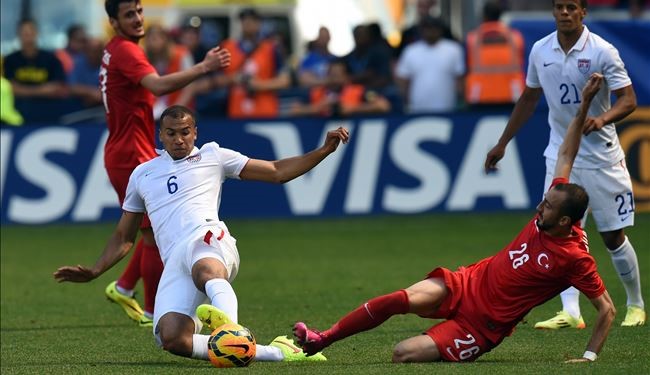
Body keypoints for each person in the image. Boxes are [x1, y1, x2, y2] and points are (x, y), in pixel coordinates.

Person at [294, 73, 616, 364]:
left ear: (564, 223)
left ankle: (440, 341)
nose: (539, 209)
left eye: (546, 208)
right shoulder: (558, 201)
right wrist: (585, 101)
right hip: (466, 283)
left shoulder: (575, 258)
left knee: (402, 353)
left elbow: (606, 309)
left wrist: (588, 358)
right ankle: (323, 339)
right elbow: (565, 155)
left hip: (481, 327)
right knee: (398, 299)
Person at [54, 105, 349, 364]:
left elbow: (275, 171)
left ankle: (231, 328)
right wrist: (95, 271)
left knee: (205, 270)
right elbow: (124, 237)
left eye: (185, 132)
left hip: (207, 238)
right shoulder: (142, 174)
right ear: (160, 135)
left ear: (195, 132)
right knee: (171, 337)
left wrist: (323, 151)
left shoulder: (214, 156)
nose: (179, 139)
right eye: (171, 133)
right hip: (174, 260)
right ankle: (277, 352)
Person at [484, 0, 645, 328]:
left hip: (602, 159)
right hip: (560, 156)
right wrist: (503, 142)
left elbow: (628, 100)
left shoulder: (603, 51)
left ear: (583, 12)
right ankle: (570, 311)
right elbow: (529, 98)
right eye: (560, 7)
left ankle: (636, 304)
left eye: (572, 7)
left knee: (613, 236)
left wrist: (602, 119)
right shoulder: (540, 50)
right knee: (558, 234)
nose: (565, 12)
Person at [99, 0, 231, 328]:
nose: (138, 18)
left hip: (128, 148)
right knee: (153, 238)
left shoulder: (116, 49)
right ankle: (149, 310)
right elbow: (157, 86)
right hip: (132, 153)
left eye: (139, 11)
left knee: (153, 234)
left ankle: (126, 287)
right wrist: (204, 66)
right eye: (129, 14)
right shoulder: (127, 51)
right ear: (114, 21)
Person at [219, 7, 290, 118]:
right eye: (244, 20)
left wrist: (258, 85)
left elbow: (285, 81)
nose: (248, 23)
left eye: (252, 20)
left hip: (265, 112)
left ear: (259, 24)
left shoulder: (271, 49)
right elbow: (215, 80)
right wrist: (233, 79)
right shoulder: (227, 47)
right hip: (236, 112)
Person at [395, 16, 464, 113]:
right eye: (427, 28)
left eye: (433, 28)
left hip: (447, 107)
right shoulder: (411, 51)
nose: (430, 31)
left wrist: (461, 100)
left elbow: (459, 78)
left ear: (440, 30)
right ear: (421, 30)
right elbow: (403, 80)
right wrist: (406, 101)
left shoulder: (453, 49)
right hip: (417, 108)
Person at [464, 1, 525, 105]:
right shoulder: (516, 38)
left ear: (483, 16)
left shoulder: (472, 39)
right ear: (500, 16)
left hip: (480, 96)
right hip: (511, 95)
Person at [290, 59, 391, 117]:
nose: (335, 79)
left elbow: (383, 105)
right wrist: (317, 108)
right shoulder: (316, 92)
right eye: (332, 74)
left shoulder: (358, 91)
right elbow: (294, 110)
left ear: (346, 76)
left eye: (338, 75)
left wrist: (353, 109)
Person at [3, 19, 67, 100]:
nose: (28, 36)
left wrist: (23, 90)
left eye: (31, 32)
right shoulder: (10, 60)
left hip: (48, 107)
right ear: (18, 34)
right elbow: (9, 88)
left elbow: (58, 87)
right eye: (25, 33)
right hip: (18, 107)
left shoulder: (51, 59)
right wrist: (43, 91)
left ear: (37, 33)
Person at [144, 24, 195, 119]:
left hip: (180, 112)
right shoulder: (144, 59)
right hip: (154, 112)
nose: (152, 42)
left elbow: (190, 88)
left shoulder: (182, 54)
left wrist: (175, 111)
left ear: (165, 39)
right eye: (149, 38)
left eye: (156, 38)